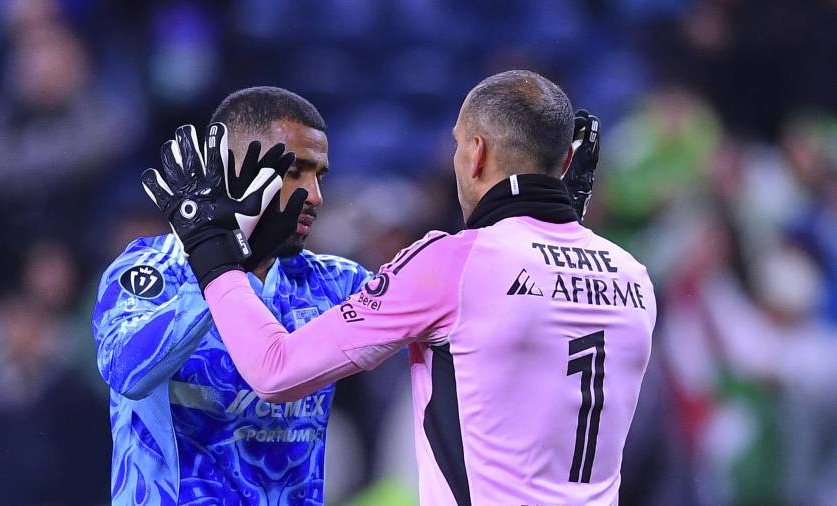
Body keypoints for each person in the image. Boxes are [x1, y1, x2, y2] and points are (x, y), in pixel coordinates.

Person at [143, 70, 653, 505]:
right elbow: (543, 325)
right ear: (565, 165)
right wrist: (559, 209)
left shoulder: (452, 264)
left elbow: (276, 370)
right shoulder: (633, 275)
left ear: (475, 153)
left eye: (456, 144)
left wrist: (209, 243)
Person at [92, 87, 372, 505]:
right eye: (296, 171)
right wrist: (222, 264)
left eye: (320, 175)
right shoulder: (150, 270)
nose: (316, 196)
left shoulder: (336, 284)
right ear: (234, 169)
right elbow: (126, 372)